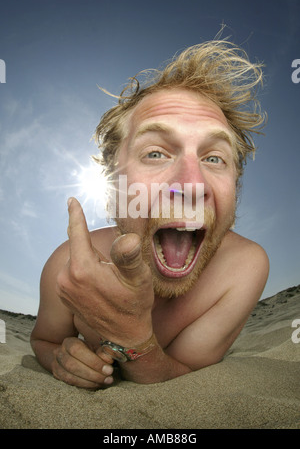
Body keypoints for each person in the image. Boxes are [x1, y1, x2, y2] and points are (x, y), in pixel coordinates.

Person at [30, 39, 269, 389]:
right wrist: (60, 359)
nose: (191, 185)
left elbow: (182, 376)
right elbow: (43, 340)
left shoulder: (245, 267)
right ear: (113, 186)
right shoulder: (68, 266)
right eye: (155, 153)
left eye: (214, 158)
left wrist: (131, 335)